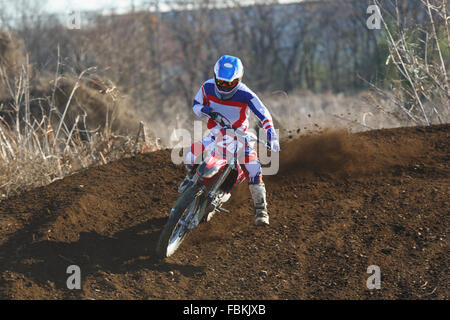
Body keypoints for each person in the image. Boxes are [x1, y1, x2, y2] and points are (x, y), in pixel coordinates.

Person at [179, 55, 280, 226]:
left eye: (229, 83)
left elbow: (263, 113)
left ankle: (261, 209)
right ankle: (191, 178)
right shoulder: (208, 86)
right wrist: (204, 109)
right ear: (215, 76)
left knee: (254, 168)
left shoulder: (246, 94)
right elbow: (196, 105)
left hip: (240, 135)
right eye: (221, 82)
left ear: (238, 79)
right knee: (190, 154)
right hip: (216, 132)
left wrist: (271, 133)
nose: (224, 87)